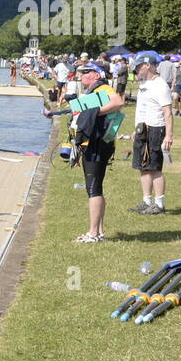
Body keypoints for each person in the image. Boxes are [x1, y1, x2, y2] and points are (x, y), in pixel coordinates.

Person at [48, 62, 124, 242]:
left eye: (85, 72)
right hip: (96, 143)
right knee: (95, 187)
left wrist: (94, 112)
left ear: (97, 75)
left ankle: (93, 234)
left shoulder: (103, 88)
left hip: (98, 145)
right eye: (80, 72)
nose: (81, 75)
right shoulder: (94, 91)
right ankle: (99, 232)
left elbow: (118, 102)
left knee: (93, 188)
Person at [128, 52, 173, 215]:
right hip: (143, 129)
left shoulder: (160, 85)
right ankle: (146, 201)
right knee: (143, 167)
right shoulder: (145, 84)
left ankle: (159, 204)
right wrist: (136, 129)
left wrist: (168, 135)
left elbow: (167, 112)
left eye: (138, 67)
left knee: (154, 167)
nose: (136, 71)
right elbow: (142, 109)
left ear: (148, 65)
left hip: (155, 129)